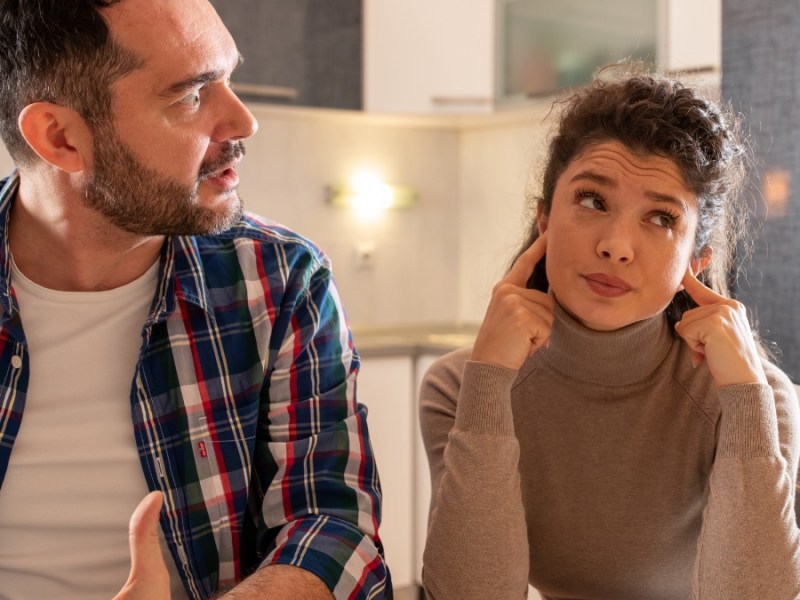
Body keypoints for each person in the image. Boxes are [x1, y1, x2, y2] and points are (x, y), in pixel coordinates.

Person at [0, 1, 390, 599]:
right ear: (60, 138)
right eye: (190, 95)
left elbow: (334, 527)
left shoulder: (279, 279)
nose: (243, 121)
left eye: (228, 78)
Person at [419, 71, 800, 599]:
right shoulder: (458, 385)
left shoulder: (758, 397)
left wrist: (744, 402)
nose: (616, 246)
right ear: (545, 220)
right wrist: (488, 385)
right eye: (593, 201)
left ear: (697, 260)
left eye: (661, 217)